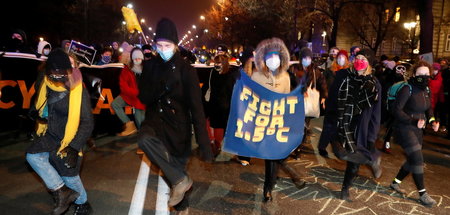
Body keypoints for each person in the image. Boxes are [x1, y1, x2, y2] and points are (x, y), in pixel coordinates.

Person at [137, 18, 213, 214]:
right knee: (144, 139)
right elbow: (144, 97)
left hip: (178, 129)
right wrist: (159, 86)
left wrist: (204, 145)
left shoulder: (186, 69)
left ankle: (182, 207)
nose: (163, 49)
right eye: (159, 45)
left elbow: (197, 108)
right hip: (155, 122)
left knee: (177, 180)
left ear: (176, 45)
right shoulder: (150, 65)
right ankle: (180, 181)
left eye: (167, 45)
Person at [26, 48, 94, 215]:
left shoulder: (78, 88)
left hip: (70, 138)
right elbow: (40, 103)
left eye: (71, 63)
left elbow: (87, 122)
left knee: (69, 175)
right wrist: (35, 113)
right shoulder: (45, 80)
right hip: (50, 133)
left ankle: (83, 203)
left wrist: (74, 146)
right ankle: (62, 191)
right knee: (33, 156)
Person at [251, 37, 306, 202]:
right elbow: (251, 97)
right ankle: (289, 173)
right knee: (271, 155)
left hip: (277, 121)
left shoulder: (285, 77)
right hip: (262, 121)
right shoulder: (256, 76)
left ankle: (268, 189)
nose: (273, 60)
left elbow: (287, 98)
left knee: (271, 157)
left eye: (276, 56)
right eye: (269, 57)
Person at [329, 49, 382, 201]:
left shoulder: (374, 84)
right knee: (339, 152)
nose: (359, 61)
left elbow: (376, 113)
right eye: (357, 57)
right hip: (343, 123)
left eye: (363, 59)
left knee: (353, 163)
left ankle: (345, 188)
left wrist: (372, 137)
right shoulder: (345, 77)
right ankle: (371, 160)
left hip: (361, 127)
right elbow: (334, 99)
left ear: (369, 63)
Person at [389, 61, 440, 207]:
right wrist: (413, 121)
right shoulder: (407, 88)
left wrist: (432, 121)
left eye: (426, 74)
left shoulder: (426, 90)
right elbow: (397, 111)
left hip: (418, 129)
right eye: (420, 74)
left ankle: (395, 183)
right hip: (404, 128)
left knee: (413, 159)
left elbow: (428, 108)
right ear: (414, 74)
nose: (423, 77)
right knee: (418, 160)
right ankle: (423, 194)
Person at [293, 47, 327, 158]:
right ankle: (293, 145)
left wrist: (323, 96)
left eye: (309, 58)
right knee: (294, 125)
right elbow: (290, 84)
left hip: (308, 104)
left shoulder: (314, 70)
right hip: (296, 102)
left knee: (304, 126)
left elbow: (322, 83)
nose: (307, 60)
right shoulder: (294, 69)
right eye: (305, 57)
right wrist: (299, 91)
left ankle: (298, 147)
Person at [318, 50, 350, 157]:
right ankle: (322, 147)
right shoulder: (329, 71)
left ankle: (336, 147)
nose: (341, 59)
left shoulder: (349, 72)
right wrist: (324, 98)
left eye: (343, 57)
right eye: (339, 57)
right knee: (328, 126)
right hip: (331, 102)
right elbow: (324, 85)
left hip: (343, 104)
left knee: (339, 127)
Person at [205, 55, 235, 157]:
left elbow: (231, 90)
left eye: (219, 63)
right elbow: (207, 86)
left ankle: (218, 144)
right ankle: (214, 144)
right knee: (212, 123)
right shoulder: (212, 72)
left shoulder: (230, 75)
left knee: (220, 125)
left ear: (225, 64)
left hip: (224, 105)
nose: (217, 65)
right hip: (213, 103)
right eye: (216, 63)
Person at [111, 48, 146, 139]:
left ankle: (144, 142)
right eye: (135, 57)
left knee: (140, 121)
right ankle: (129, 125)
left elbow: (150, 85)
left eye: (139, 57)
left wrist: (141, 94)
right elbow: (123, 85)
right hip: (130, 96)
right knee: (115, 104)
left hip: (141, 99)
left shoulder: (147, 69)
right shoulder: (127, 69)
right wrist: (134, 93)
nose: (137, 59)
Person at [382, 64, 408, 153]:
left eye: (402, 70)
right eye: (398, 69)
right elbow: (385, 93)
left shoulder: (405, 82)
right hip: (392, 105)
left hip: (401, 105)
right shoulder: (389, 80)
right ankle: (387, 142)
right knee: (392, 125)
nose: (400, 72)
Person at [429, 63, 446, 133]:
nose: (434, 71)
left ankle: (436, 125)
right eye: (433, 69)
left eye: (436, 69)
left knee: (434, 113)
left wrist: (442, 100)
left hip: (436, 99)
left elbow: (440, 90)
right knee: (431, 113)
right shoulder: (429, 77)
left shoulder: (440, 78)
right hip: (430, 98)